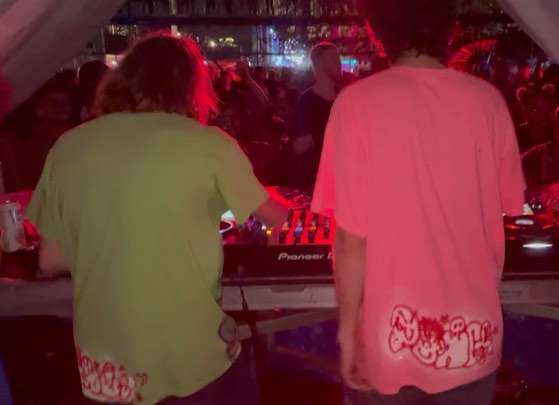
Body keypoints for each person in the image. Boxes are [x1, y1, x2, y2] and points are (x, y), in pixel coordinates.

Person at [25, 34, 288, 404]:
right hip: (191, 360)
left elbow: (51, 259)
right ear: (190, 87)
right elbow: (276, 216)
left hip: (107, 372)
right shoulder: (208, 144)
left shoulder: (68, 146)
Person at [311, 0, 526, 403]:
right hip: (471, 339)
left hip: (388, 342)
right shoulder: (489, 102)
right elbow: (507, 207)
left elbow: (352, 242)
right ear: (450, 27)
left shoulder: (356, 104)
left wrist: (348, 333)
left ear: (378, 32)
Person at [0, 78, 74, 191]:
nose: (62, 107)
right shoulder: (17, 141)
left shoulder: (72, 133)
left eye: (66, 103)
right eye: (53, 102)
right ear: (38, 106)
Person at [289, 41, 342, 189]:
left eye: (338, 58)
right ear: (318, 63)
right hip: (316, 179)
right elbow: (299, 146)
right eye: (334, 58)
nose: (339, 63)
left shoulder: (344, 96)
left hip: (342, 176)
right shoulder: (306, 101)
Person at [514, 83, 556, 153]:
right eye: (534, 109)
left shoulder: (555, 134)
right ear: (525, 111)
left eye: (544, 107)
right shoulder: (515, 135)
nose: (540, 113)